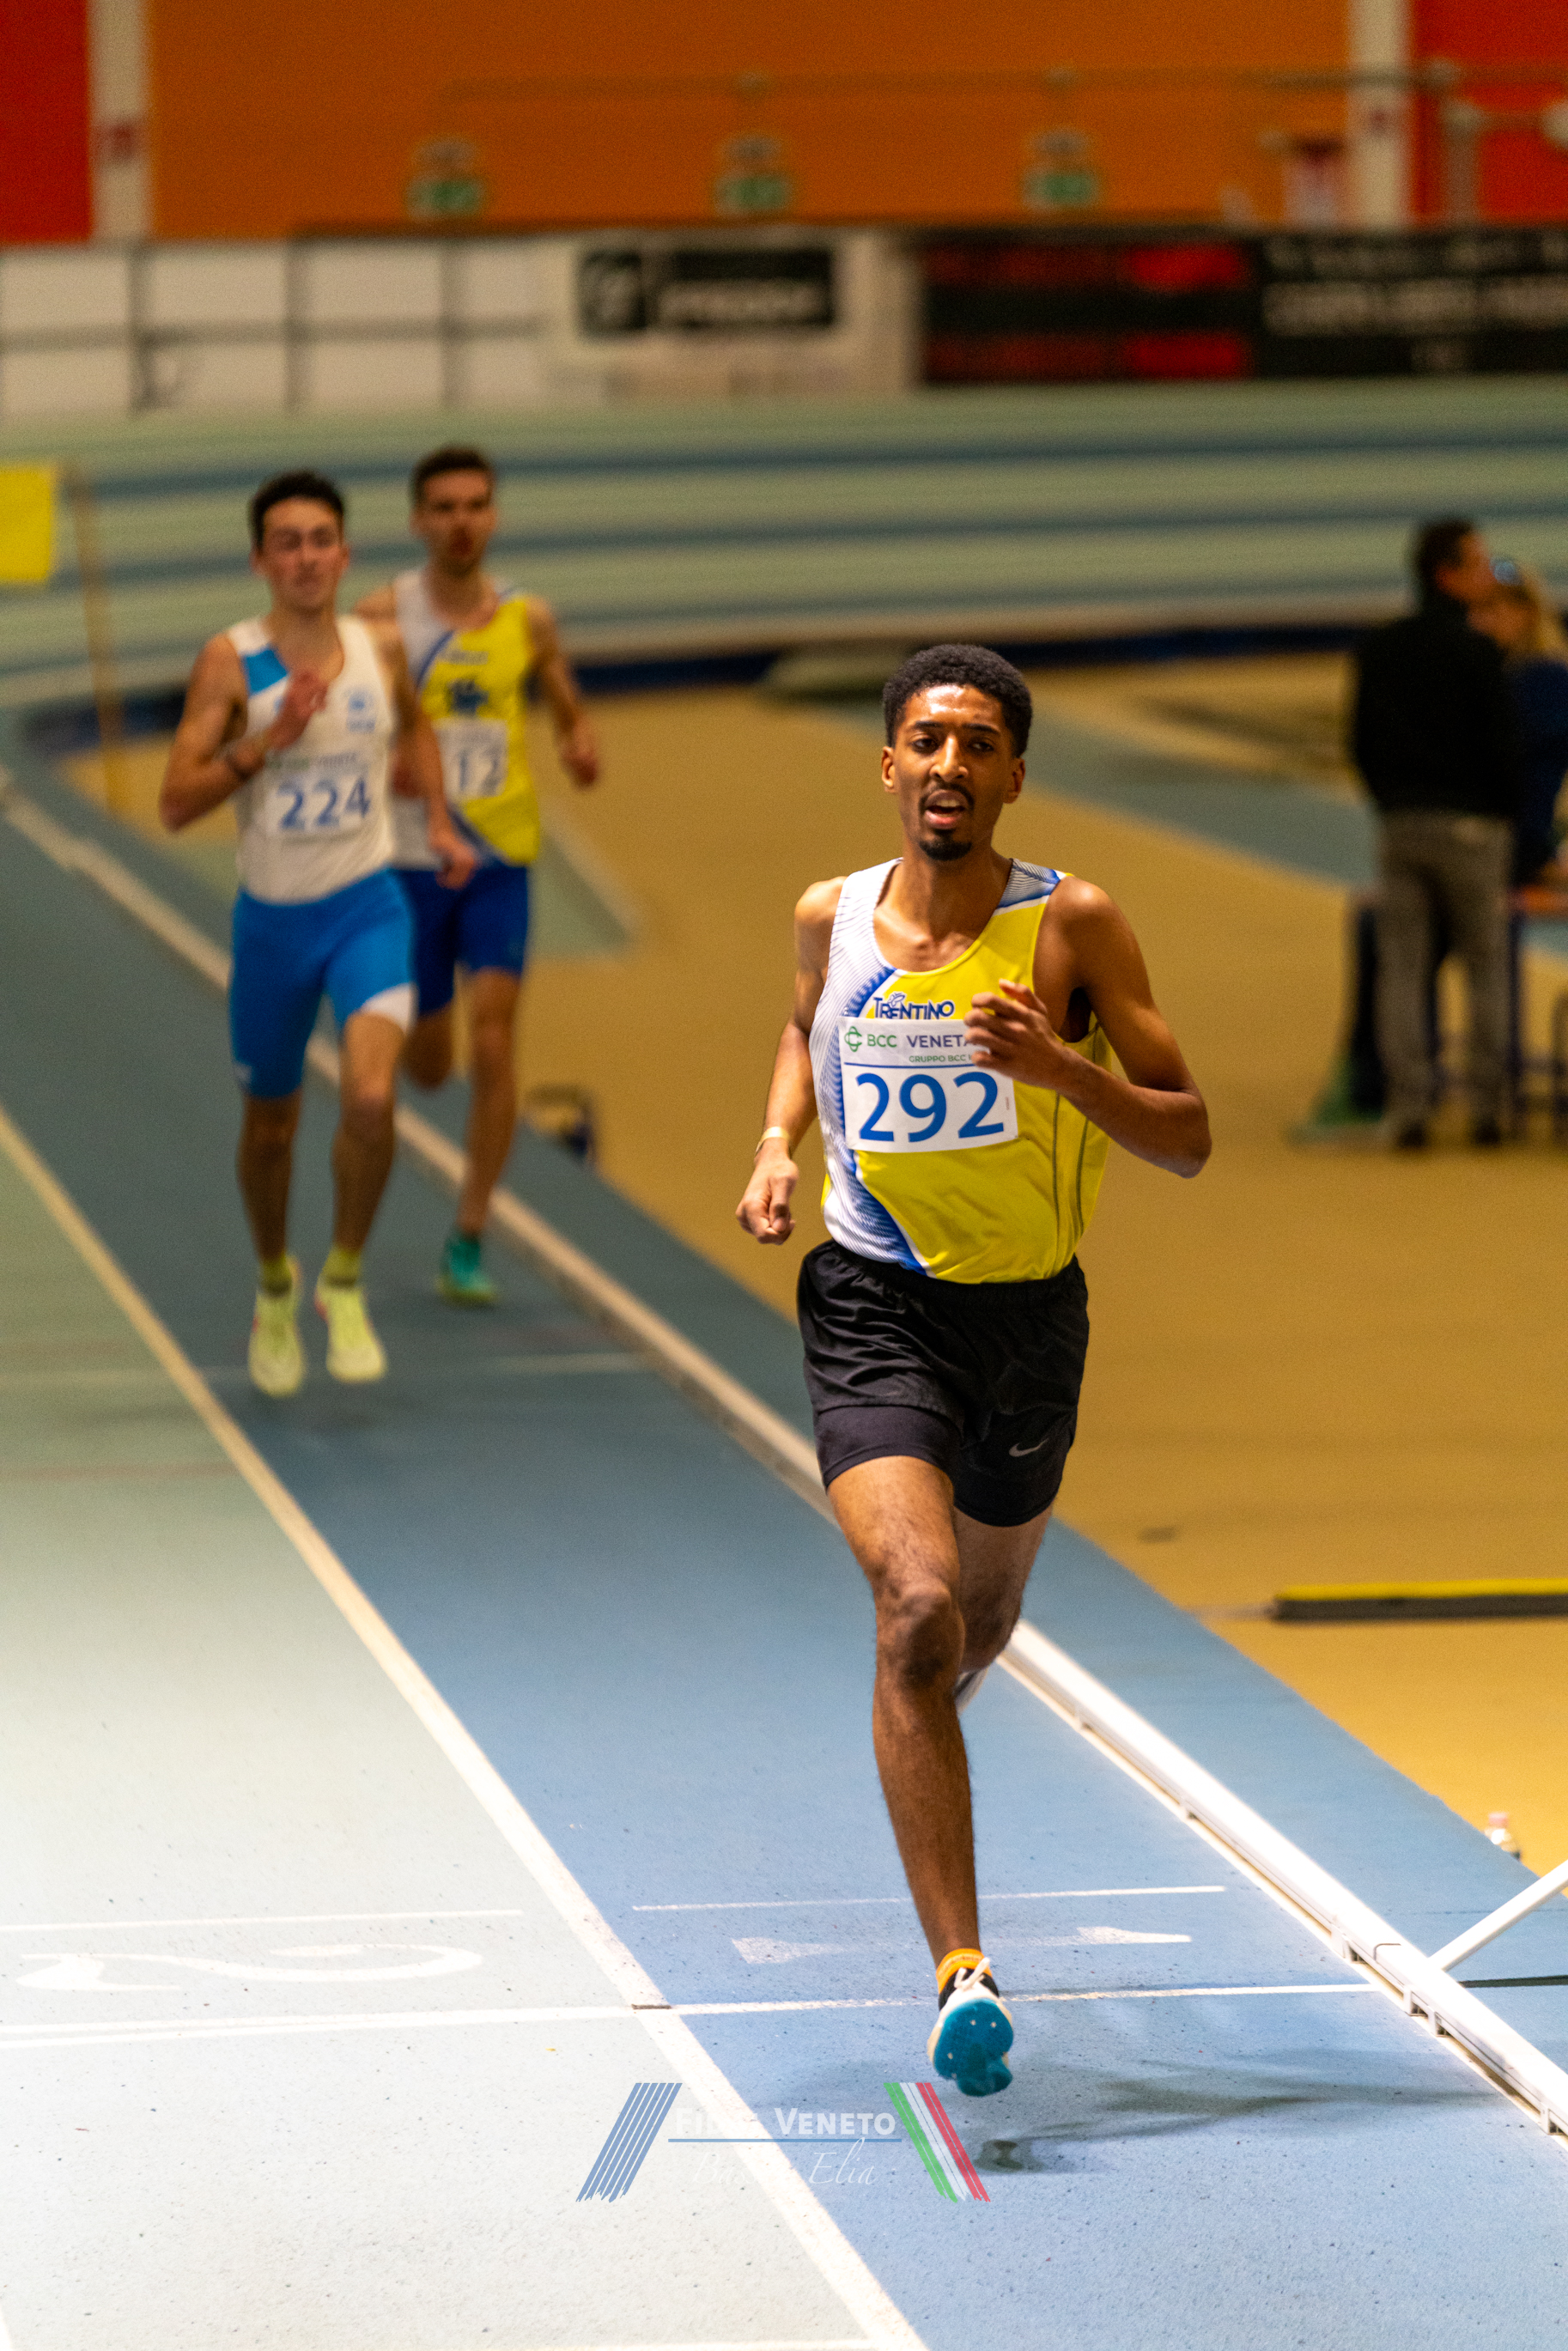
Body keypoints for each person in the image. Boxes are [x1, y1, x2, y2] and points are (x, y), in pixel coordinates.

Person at [734, 644, 1210, 2099]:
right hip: (872, 1300)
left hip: (1028, 1322)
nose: (949, 763)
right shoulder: (828, 913)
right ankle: (963, 1972)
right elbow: (802, 1019)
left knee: (976, 1625)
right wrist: (775, 1143)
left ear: (1012, 776)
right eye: (927, 739)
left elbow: (1187, 1133)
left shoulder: (1071, 924)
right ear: (889, 764)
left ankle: (916, 1725)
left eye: (978, 743)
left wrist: (1060, 1069)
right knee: (917, 1606)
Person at [160, 469, 474, 1395]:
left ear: (345, 553)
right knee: (271, 1129)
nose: (305, 557)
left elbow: (415, 726)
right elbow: (175, 801)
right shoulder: (231, 661)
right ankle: (273, 1284)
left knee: (371, 1099)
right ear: (260, 560)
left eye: (320, 540)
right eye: (286, 543)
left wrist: (440, 821)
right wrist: (268, 741)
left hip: (367, 907)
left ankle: (342, 1276)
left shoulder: (380, 646)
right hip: (273, 928)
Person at [356, 445, 599, 1305]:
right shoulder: (381, 617)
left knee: (495, 1041)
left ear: (492, 517)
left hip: (500, 858)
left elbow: (563, 701)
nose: (461, 522)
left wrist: (576, 740)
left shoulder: (527, 618)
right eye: (444, 507)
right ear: (419, 521)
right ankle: (431, 1039)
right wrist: (383, 755)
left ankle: (468, 1232)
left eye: (474, 505)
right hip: (411, 864)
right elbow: (345, 713)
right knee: (429, 1064)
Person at [1351, 517, 1518, 1149]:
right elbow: (1504, 748)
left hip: (1402, 825)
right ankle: (1487, 1110)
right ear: (1448, 574)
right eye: (1480, 563)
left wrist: (1391, 802)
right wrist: (1499, 814)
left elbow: (1361, 741)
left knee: (1402, 969)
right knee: (1486, 965)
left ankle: (1410, 1108)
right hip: (1472, 827)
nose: (1490, 574)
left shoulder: (1382, 648)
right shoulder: (1479, 652)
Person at [1471, 557, 1568, 890]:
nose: (1479, 621)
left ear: (1526, 612)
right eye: (1476, 610)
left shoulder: (1545, 680)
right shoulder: (1500, 674)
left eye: (1490, 609)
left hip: (1519, 842)